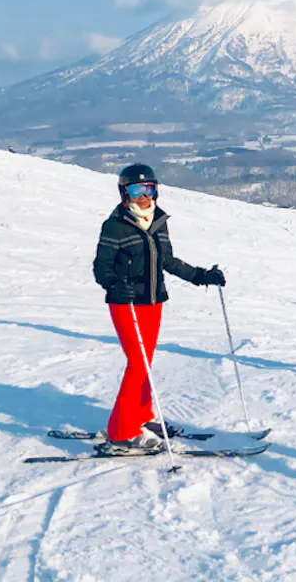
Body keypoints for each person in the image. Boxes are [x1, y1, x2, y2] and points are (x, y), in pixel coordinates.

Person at [91, 163, 226, 456]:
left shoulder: (158, 222)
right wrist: (114, 285)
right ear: (124, 192)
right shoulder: (114, 226)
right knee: (137, 365)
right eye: (136, 190)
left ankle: (142, 417)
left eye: (148, 189)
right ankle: (120, 434)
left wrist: (202, 276)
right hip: (125, 303)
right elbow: (101, 267)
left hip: (153, 303)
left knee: (145, 365)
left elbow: (169, 261)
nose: (143, 196)